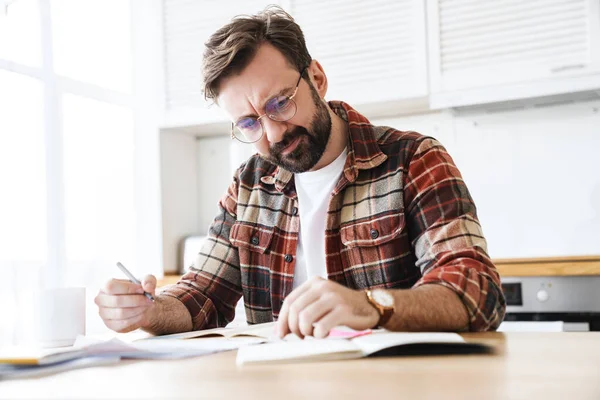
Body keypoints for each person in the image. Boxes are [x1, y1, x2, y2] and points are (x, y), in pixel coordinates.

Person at [95, 6, 505, 339]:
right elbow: (201, 296)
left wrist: (372, 307)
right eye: (250, 123)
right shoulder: (248, 186)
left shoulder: (412, 158)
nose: (273, 132)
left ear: (317, 79)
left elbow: (477, 290)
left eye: (278, 104)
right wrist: (146, 311)